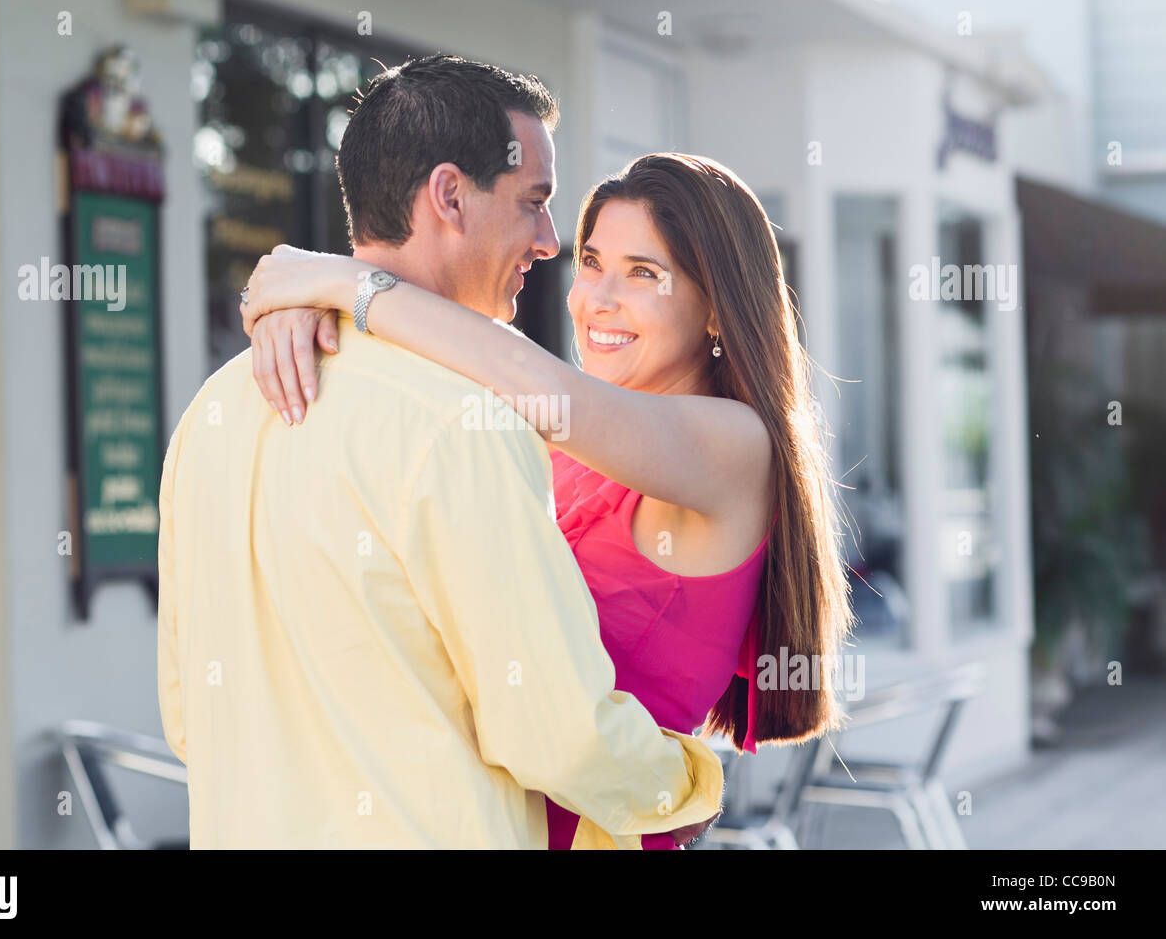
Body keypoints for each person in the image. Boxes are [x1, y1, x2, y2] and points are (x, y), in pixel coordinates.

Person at [157, 54, 724, 849]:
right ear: (450, 195)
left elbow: (189, 714)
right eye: (533, 203)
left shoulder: (212, 411)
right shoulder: (465, 423)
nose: (550, 240)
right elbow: (555, 731)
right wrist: (689, 787)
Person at [241, 151, 857, 849]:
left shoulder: (736, 446)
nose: (596, 299)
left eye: (643, 275)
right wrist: (296, 310)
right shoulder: (578, 436)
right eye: (591, 262)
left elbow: (516, 369)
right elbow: (481, 365)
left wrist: (339, 280)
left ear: (718, 309)